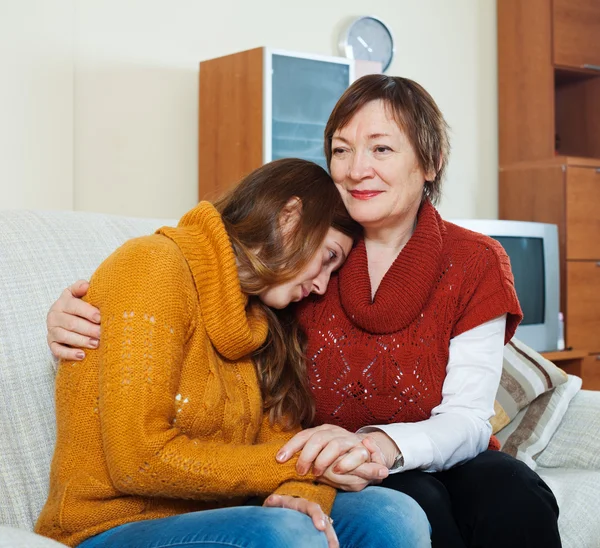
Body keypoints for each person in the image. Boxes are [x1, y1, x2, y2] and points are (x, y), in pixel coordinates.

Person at [47, 75, 561, 548]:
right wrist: (79, 311)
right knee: (412, 505)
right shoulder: (293, 264)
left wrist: (373, 449)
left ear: (429, 162)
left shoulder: (466, 260)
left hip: (401, 455)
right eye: (342, 150)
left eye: (381, 148)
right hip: (324, 467)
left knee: (510, 490)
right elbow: (198, 265)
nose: (357, 168)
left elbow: (467, 417)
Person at [36, 157, 432, 548]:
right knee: (287, 535)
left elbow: (281, 444)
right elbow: (138, 461)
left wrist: (301, 493)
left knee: (395, 516)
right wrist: (312, 464)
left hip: (226, 515)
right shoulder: (153, 265)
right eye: (328, 256)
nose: (322, 286)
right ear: (289, 217)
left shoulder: (262, 320)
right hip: (108, 527)